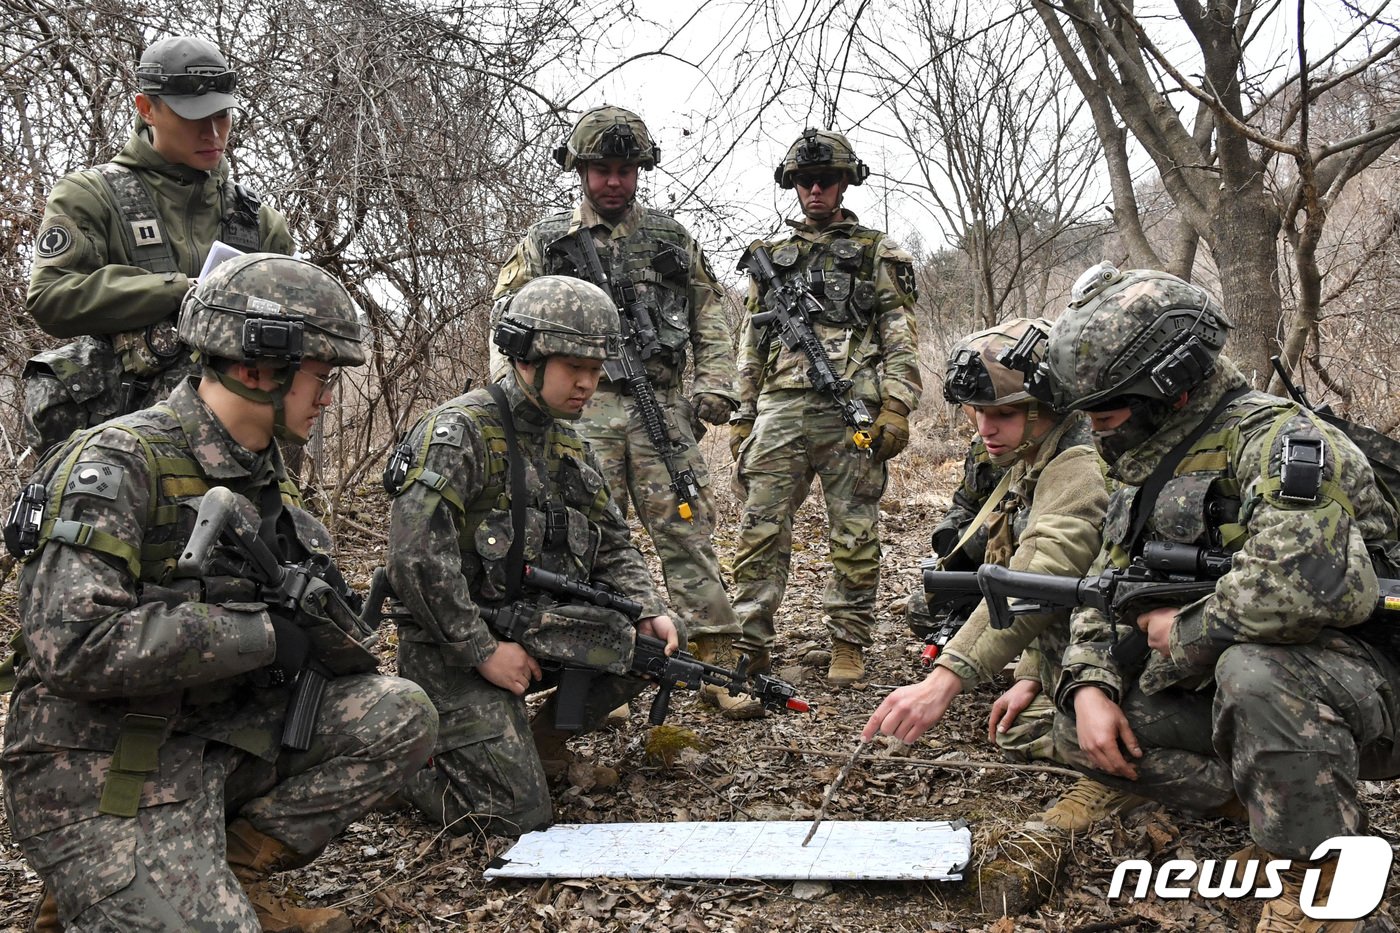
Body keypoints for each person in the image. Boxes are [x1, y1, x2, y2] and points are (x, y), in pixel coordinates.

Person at [0, 253, 437, 932]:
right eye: (321, 377)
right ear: (258, 367)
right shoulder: (119, 461)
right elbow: (72, 644)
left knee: (399, 713)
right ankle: (95, 878)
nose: (327, 396)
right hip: (101, 762)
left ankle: (231, 872)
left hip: (210, 736)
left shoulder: (265, 469)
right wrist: (256, 636)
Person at [1039, 264, 1400, 931]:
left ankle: (1316, 882)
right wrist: (1089, 683)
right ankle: (1279, 800)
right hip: (1285, 691)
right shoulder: (1145, 454)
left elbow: (1307, 586)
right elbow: (1108, 577)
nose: (1094, 430)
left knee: (1256, 670)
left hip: (1371, 681)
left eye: (1107, 411)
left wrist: (1182, 633)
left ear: (1168, 388)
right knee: (1075, 721)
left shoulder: (1278, 442)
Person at [386, 275, 681, 838]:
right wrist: (483, 651)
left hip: (535, 634)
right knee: (520, 818)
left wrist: (647, 607)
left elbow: (613, 541)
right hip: (452, 653)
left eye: (597, 371)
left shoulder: (568, 443)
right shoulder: (460, 433)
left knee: (652, 645)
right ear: (527, 356)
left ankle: (542, 742)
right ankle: (404, 772)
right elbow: (415, 560)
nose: (588, 385)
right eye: (575, 368)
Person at [491, 106, 749, 716]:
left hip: (660, 408)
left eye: (625, 170)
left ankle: (713, 658)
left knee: (688, 529)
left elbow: (711, 315)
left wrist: (713, 389)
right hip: (578, 415)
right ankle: (609, 663)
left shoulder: (670, 239)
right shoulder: (546, 242)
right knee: (582, 541)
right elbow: (508, 324)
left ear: (640, 173)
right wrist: (519, 406)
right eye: (601, 169)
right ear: (579, 171)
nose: (614, 181)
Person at [862, 319, 1137, 830]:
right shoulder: (1036, 448)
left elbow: (1043, 571)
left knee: (1080, 733)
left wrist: (943, 681)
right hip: (1093, 637)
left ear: (1051, 407)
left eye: (1004, 414)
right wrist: (1033, 673)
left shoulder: (1080, 461)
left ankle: (1141, 778)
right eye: (977, 414)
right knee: (1015, 729)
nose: (985, 429)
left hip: (1141, 644)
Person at [23, 34, 293, 455]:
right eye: (193, 116)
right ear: (147, 109)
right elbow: (51, 297)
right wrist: (179, 291)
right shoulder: (91, 196)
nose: (212, 131)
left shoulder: (257, 222)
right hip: (113, 452)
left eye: (222, 115)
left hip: (233, 454)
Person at [729, 127, 921, 691]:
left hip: (850, 409)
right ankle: (748, 640)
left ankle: (849, 641)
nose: (816, 191)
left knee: (855, 530)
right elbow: (751, 341)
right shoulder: (768, 258)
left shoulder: (878, 252)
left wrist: (897, 405)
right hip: (781, 409)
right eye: (806, 181)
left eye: (827, 180)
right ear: (793, 186)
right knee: (760, 527)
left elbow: (899, 332)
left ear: (844, 183)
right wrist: (744, 413)